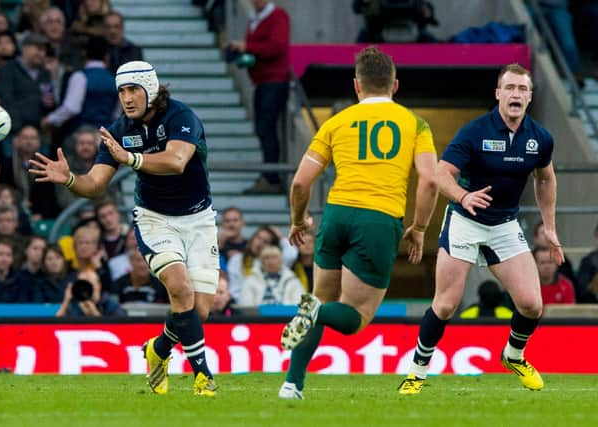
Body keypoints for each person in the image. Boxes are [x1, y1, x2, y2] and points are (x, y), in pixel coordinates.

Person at [28, 60, 220, 397]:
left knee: (198, 311)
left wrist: (130, 159)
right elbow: (95, 184)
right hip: (154, 219)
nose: (127, 98)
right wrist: (70, 178)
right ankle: (203, 377)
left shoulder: (181, 117)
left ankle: (158, 350)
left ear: (151, 89)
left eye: (133, 90)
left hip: (199, 220)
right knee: (180, 288)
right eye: (121, 91)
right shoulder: (118, 131)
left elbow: (176, 161)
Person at [278, 46, 439, 399]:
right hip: (379, 219)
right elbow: (429, 180)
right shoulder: (415, 124)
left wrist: (297, 220)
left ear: (357, 86)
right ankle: (313, 313)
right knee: (356, 316)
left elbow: (301, 182)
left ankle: (292, 384)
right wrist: (420, 228)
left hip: (336, 214)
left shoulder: (335, 123)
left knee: (321, 297)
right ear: (395, 86)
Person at [398, 63, 564, 395]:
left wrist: (550, 228)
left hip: (504, 224)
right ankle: (416, 372)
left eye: (522, 89)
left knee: (532, 304)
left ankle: (513, 355)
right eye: (510, 88)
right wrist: (463, 195)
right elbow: (441, 173)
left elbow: (545, 178)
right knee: (445, 304)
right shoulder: (475, 131)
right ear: (498, 94)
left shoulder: (540, 138)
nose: (516, 94)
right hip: (464, 221)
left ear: (530, 97)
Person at [228, 0, 290, 194]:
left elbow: (276, 46)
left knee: (267, 128)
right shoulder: (257, 18)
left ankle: (271, 177)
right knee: (263, 128)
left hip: (274, 81)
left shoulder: (277, 16)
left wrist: (248, 47)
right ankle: (269, 174)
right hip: (262, 81)